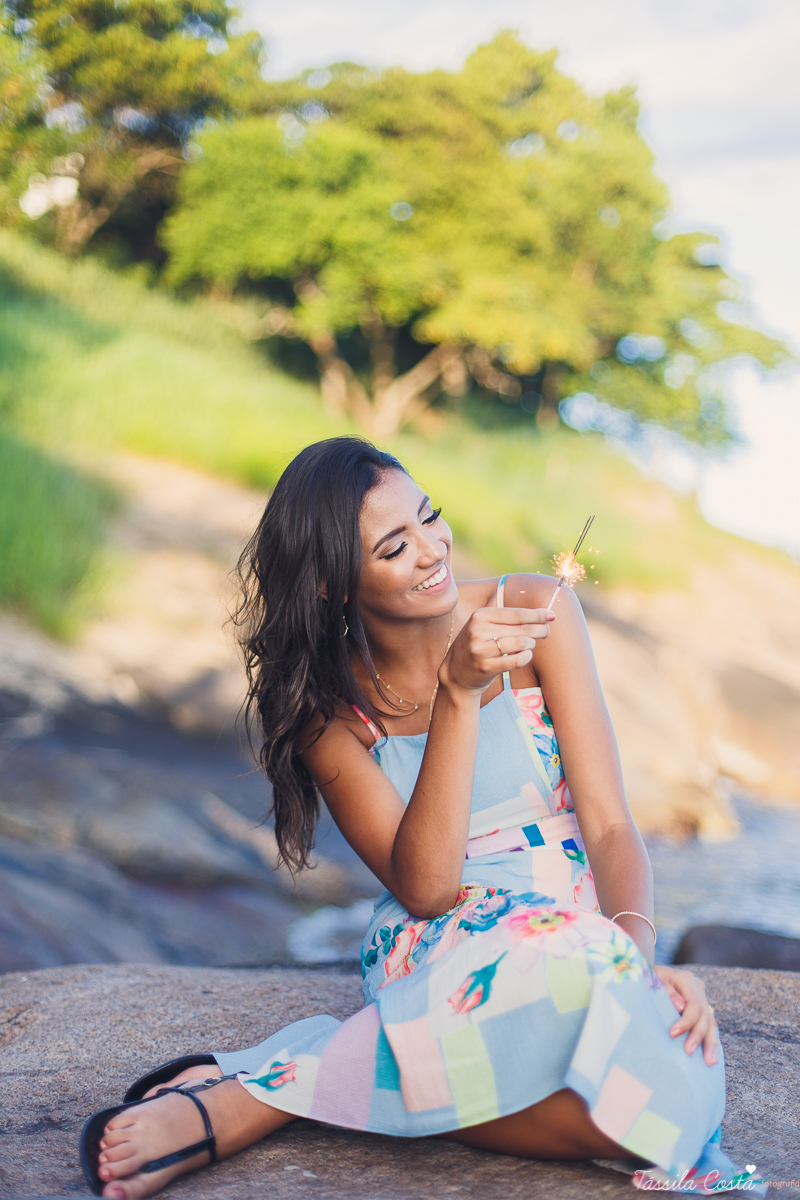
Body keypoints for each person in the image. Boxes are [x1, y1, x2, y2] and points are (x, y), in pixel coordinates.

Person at [81, 437, 763, 1199]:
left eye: (429, 518)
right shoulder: (325, 714)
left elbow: (607, 823)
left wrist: (636, 960)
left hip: (582, 942)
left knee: (680, 1099)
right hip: (447, 938)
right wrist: (459, 694)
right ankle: (256, 1102)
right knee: (614, 1076)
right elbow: (430, 887)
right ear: (335, 587)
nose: (432, 550)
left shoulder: (537, 609)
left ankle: (293, 1085)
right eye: (394, 546)